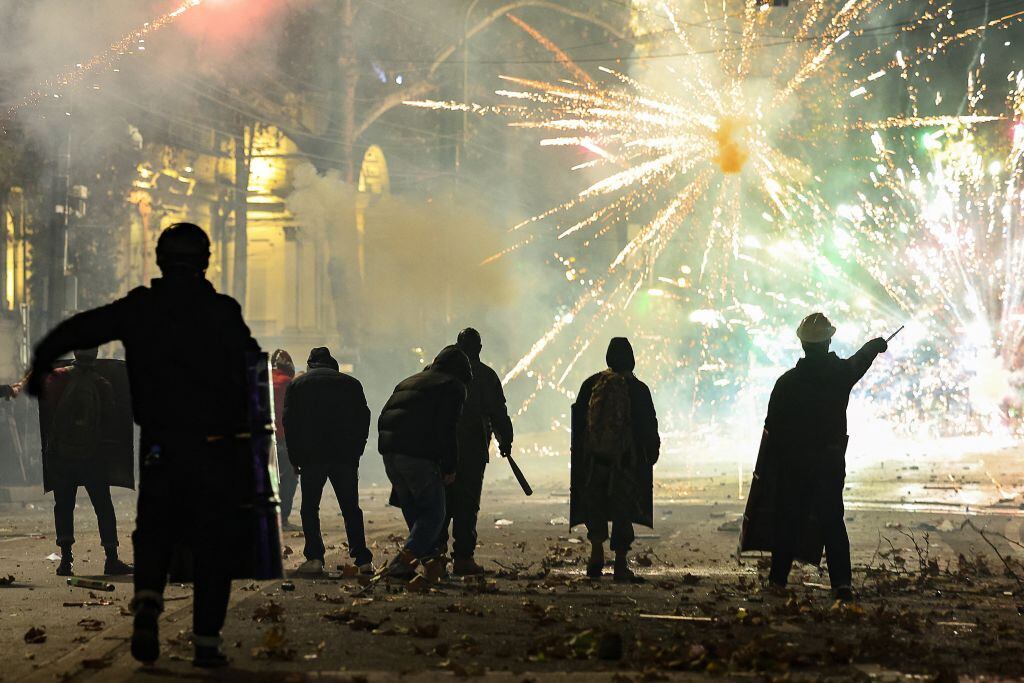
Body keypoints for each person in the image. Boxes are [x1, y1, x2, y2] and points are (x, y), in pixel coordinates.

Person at [27, 223, 260, 668]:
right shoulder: (222, 312)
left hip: (159, 442)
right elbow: (251, 374)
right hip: (212, 446)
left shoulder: (142, 308)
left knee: (156, 528)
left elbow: (81, 327)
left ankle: (148, 604)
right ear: (206, 260)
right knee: (212, 539)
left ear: (159, 258)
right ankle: (206, 644)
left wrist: (41, 362)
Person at [742, 313, 887, 602]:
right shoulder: (839, 375)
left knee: (788, 519)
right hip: (829, 462)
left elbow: (772, 429)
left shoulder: (786, 384)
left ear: (802, 343)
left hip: (793, 464)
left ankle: (778, 581)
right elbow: (859, 361)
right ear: (829, 340)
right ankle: (842, 584)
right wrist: (876, 345)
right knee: (832, 519)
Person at [378, 345, 471, 583]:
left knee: (416, 512)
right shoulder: (452, 386)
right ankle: (401, 564)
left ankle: (432, 564)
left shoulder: (411, 380)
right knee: (434, 513)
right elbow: (448, 429)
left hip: (390, 452)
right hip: (417, 455)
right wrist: (451, 466)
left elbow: (386, 414)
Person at [570, 337, 660, 583]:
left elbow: (578, 424)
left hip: (595, 459)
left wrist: (582, 459)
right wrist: (650, 455)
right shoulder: (638, 389)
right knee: (623, 508)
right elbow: (648, 426)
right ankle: (620, 563)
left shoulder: (591, 384)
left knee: (595, 504)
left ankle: (596, 555)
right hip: (625, 460)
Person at [41, 348, 133, 577]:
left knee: (63, 506)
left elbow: (47, 414)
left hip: (62, 455)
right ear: (95, 355)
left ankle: (66, 561)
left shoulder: (57, 377)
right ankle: (111, 559)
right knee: (103, 506)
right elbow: (112, 420)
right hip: (92, 456)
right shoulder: (103, 383)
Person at [283, 347, 373, 575]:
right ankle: (362, 559)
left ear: (311, 364)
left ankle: (314, 558)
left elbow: (290, 423)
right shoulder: (351, 384)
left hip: (312, 458)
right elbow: (364, 419)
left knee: (309, 508)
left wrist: (295, 458)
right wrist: (357, 450)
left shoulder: (298, 385)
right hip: (344, 457)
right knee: (351, 508)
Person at [436, 328, 514, 576]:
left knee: (441, 503)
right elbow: (498, 413)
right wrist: (505, 441)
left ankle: (436, 558)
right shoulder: (486, 376)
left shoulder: (438, 372)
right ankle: (463, 558)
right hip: (472, 451)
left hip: (440, 449)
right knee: (467, 505)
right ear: (479, 348)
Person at [271, 349, 299, 530]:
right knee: (289, 479)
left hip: (264, 440)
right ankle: (282, 520)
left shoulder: (262, 380)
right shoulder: (287, 383)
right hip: (283, 438)